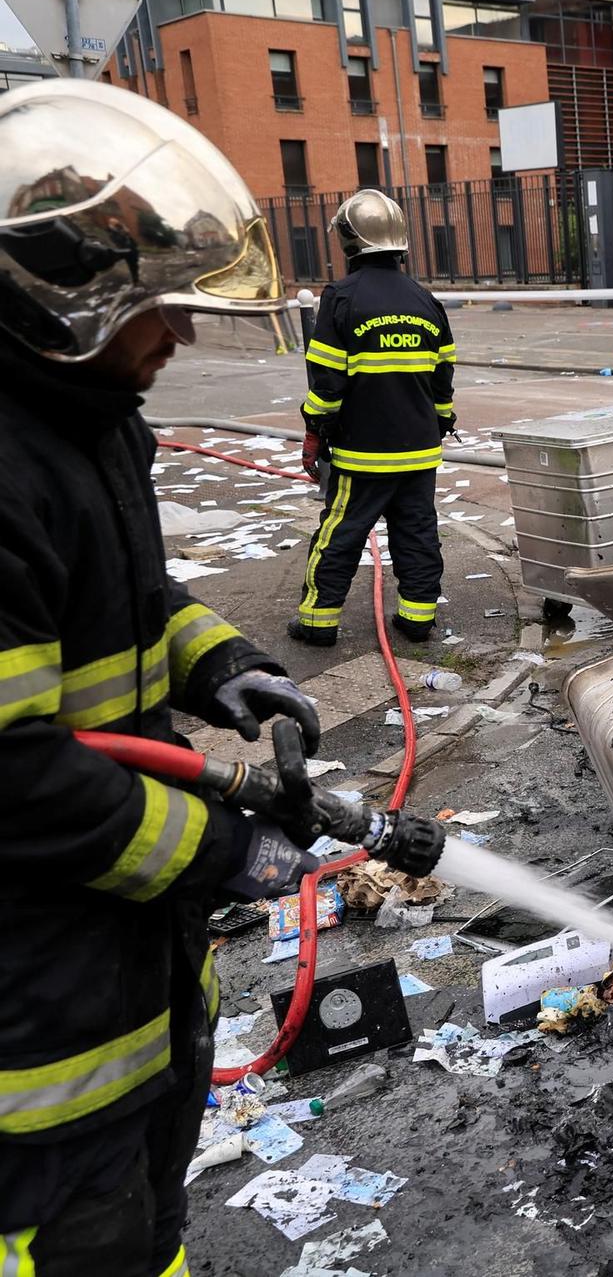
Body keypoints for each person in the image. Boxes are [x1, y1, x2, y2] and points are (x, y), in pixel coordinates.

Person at [0, 79, 325, 1277]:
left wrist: (224, 663)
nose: (176, 338)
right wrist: (220, 848)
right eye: (155, 309)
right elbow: (13, 777)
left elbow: (131, 598)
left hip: (125, 960)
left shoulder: (93, 420)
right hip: (35, 1019)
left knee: (153, 1227)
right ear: (62, 298)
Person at [293, 189, 456, 646]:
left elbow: (326, 382)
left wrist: (314, 431)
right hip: (420, 451)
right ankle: (418, 619)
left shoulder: (342, 297)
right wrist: (438, 422)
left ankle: (318, 622)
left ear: (349, 241)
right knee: (418, 533)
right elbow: (443, 378)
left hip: (363, 453)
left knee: (341, 534)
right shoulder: (425, 300)